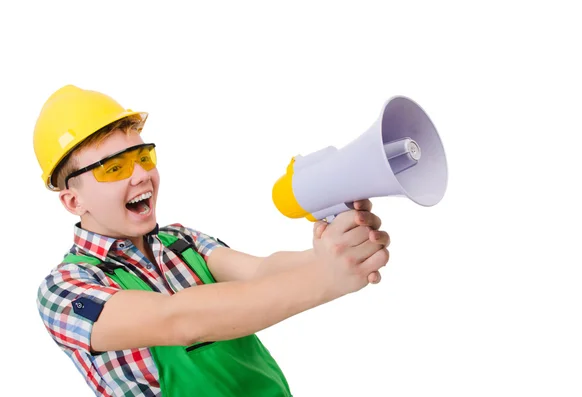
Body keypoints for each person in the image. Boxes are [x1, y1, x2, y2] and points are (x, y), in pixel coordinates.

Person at [34, 85, 391, 397]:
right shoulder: (65, 290)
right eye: (114, 168)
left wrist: (332, 251)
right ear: (73, 201)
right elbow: (178, 321)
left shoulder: (181, 240)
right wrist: (325, 278)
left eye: (143, 157)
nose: (142, 174)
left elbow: (262, 272)